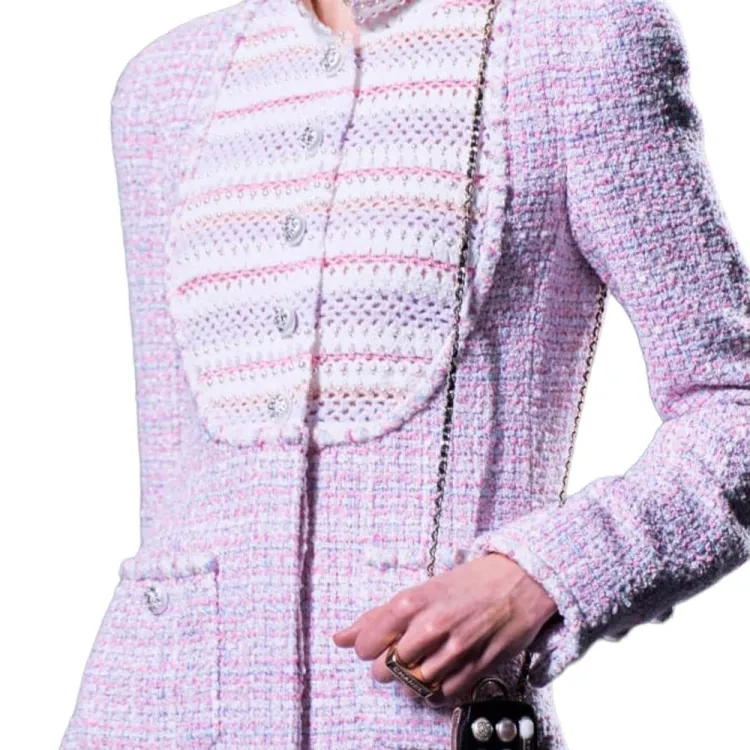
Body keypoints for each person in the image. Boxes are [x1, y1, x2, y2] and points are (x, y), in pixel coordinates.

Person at [60, 0, 750, 747]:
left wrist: (543, 575)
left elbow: (733, 401)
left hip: (429, 718)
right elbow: (173, 490)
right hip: (150, 718)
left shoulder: (578, 44)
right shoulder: (165, 85)